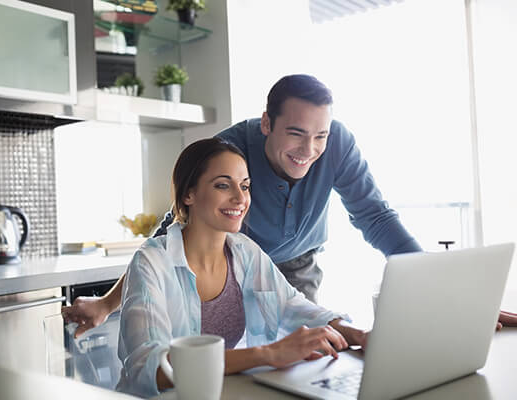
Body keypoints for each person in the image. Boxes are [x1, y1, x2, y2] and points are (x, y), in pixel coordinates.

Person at [63, 74, 516, 336]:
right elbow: (172, 230)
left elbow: (376, 217)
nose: (309, 149)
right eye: (296, 134)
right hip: (232, 265)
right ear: (266, 124)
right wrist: (107, 303)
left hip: (299, 264)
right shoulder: (228, 152)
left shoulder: (337, 146)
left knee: (309, 353)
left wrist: (449, 296)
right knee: (230, 352)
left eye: (320, 135)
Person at [111, 138, 367, 397]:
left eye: (245, 186)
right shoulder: (151, 262)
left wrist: (358, 336)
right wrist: (268, 354)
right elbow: (151, 367)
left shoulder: (245, 251)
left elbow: (293, 306)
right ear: (188, 193)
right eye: (223, 185)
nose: (239, 198)